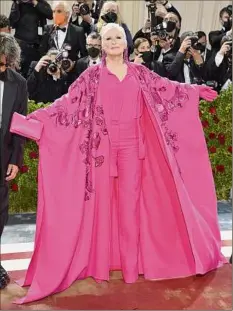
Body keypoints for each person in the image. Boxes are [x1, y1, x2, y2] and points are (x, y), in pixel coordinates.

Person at [10, 23, 226, 304]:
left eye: (118, 37)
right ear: (101, 43)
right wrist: (33, 121)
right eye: (108, 37)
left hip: (134, 151)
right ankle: (101, 264)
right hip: (102, 152)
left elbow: (167, 89)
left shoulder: (140, 73)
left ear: (126, 43)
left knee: (129, 207)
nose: (113, 41)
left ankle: (131, 267)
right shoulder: (91, 76)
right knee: (101, 208)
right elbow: (67, 104)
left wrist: (194, 91)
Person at [0, 33, 28, 289]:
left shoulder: (18, 83)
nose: (1, 68)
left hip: (2, 156)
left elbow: (20, 126)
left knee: (0, 213)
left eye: (5, 64)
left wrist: (16, 160)